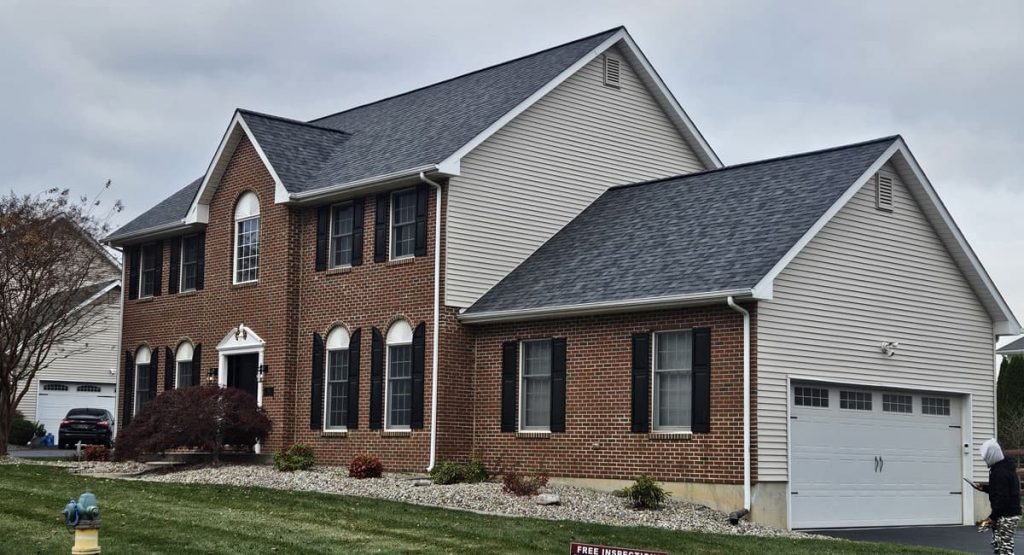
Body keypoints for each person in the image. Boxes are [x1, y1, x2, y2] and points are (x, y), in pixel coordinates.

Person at [972, 438, 1022, 555]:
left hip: (1006, 514)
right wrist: (984, 488)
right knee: (998, 544)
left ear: (993, 454)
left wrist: (992, 517)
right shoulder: (1003, 468)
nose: (985, 458)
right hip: (1005, 513)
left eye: (986, 455)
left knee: (1005, 548)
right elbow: (1001, 490)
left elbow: (1002, 497)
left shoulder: (1000, 472)